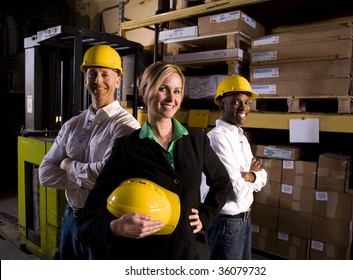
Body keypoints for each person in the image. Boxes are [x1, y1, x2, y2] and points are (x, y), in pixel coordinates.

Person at [79, 61, 233, 259]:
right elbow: (90, 213)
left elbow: (222, 183)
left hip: (184, 256)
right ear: (146, 91)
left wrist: (204, 217)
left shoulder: (197, 140)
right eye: (163, 89)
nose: (171, 98)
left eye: (177, 91)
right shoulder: (127, 147)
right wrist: (114, 227)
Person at [38, 44, 141, 259]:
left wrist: (67, 165)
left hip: (102, 220)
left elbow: (111, 179)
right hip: (70, 218)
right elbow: (45, 173)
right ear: (85, 78)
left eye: (105, 74)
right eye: (92, 73)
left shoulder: (126, 127)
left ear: (117, 79)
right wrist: (89, 180)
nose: (98, 81)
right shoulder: (72, 125)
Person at [201, 75, 267, 260]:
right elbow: (234, 190)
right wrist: (251, 176)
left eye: (246, 102)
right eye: (236, 102)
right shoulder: (217, 138)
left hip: (244, 219)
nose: (243, 107)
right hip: (226, 222)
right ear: (222, 105)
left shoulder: (242, 138)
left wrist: (250, 175)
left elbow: (262, 177)